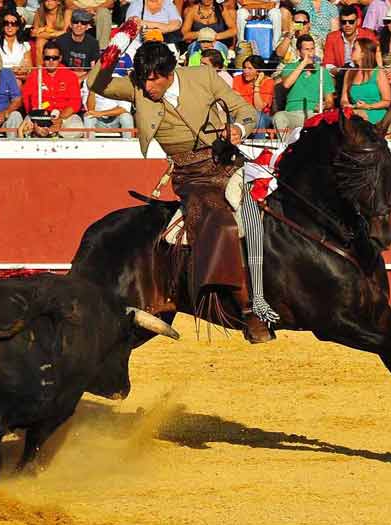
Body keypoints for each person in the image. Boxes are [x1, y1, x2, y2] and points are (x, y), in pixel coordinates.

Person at [88, 41, 275, 343]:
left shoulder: (202, 76)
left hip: (226, 161)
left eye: (153, 79)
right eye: (144, 78)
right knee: (220, 220)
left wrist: (239, 128)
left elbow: (245, 110)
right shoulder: (135, 86)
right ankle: (248, 309)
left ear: (168, 72)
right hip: (193, 177)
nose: (148, 86)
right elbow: (96, 82)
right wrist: (115, 45)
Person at [20, 40, 84, 137]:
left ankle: (58, 139)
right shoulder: (34, 75)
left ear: (60, 58)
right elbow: (27, 100)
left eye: (54, 58)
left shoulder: (70, 76)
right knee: (25, 128)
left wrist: (60, 119)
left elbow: (75, 103)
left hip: (65, 115)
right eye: (47, 58)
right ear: (43, 58)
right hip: (39, 115)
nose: (50, 61)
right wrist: (37, 121)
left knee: (77, 128)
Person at [274, 34, 335, 130]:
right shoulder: (290, 67)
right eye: (306, 49)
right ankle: (285, 144)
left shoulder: (322, 71)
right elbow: (286, 84)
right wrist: (303, 64)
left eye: (312, 49)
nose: (311, 52)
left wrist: (324, 105)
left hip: (313, 113)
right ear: (298, 52)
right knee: (279, 117)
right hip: (292, 113)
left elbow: (330, 101)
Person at [341, 37, 391, 124]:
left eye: (354, 49)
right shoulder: (349, 73)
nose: (351, 51)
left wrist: (368, 106)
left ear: (363, 53)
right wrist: (348, 106)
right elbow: (344, 99)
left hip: (376, 114)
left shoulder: (378, 73)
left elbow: (387, 101)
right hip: (355, 113)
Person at [83, 64, 134, 138]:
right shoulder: (88, 81)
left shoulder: (120, 80)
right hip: (98, 121)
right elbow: (90, 110)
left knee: (126, 117)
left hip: (115, 120)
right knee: (88, 117)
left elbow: (124, 109)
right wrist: (92, 89)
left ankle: (129, 145)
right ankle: (90, 146)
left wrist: (100, 113)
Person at [323, 5, 375, 73]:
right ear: (340, 22)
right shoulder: (332, 37)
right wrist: (337, 70)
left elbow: (374, 59)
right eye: (344, 22)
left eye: (351, 22)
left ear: (358, 21)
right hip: (340, 75)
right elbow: (328, 63)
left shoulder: (368, 35)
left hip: (363, 74)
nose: (347, 25)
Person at [232, 54, 274, 138]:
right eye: (244, 68)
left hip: (262, 116)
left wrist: (257, 84)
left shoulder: (268, 82)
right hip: (241, 114)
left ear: (259, 71)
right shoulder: (237, 79)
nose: (245, 71)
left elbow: (259, 107)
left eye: (250, 68)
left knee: (257, 115)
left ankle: (259, 145)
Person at [55, 9, 100, 80]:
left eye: (83, 23)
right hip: (65, 77)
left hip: (85, 79)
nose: (79, 25)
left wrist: (81, 79)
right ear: (71, 24)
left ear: (88, 26)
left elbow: (93, 69)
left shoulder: (93, 43)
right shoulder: (61, 41)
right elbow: (56, 65)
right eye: (76, 22)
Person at [0, 8, 34, 74]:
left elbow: (29, 69)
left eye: (13, 23)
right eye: (6, 23)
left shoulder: (25, 45)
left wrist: (19, 72)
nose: (10, 26)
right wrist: (11, 72)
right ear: (3, 26)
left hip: (20, 77)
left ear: (18, 27)